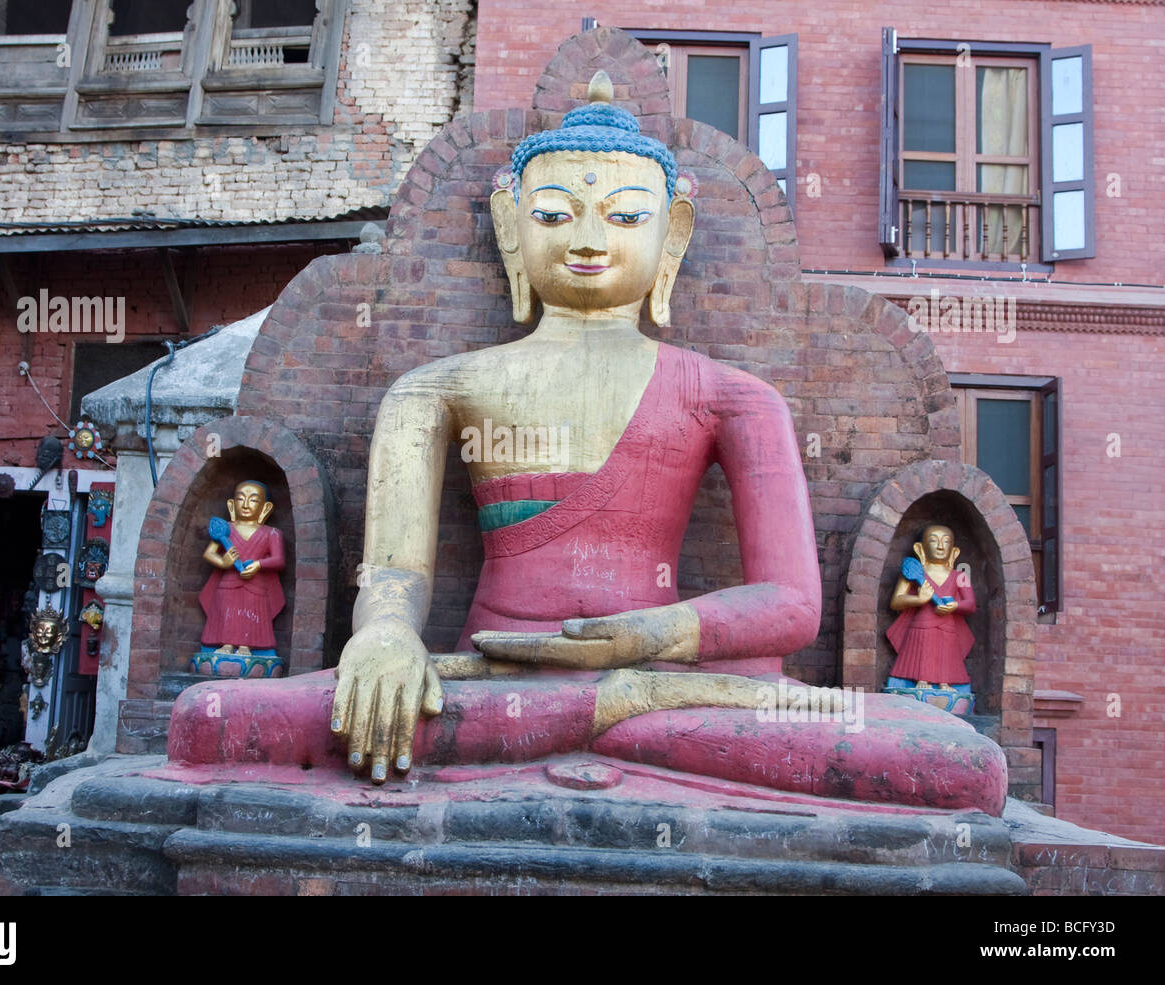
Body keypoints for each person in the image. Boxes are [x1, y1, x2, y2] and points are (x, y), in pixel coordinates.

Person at [169, 74, 1007, 814]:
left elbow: (790, 605)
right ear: (510, 227)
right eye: (553, 214)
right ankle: (601, 718)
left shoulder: (732, 395)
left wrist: (640, 643)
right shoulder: (436, 389)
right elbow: (393, 575)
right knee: (212, 720)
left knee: (952, 760)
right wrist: (385, 639)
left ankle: (602, 713)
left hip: (682, 688)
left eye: (626, 215)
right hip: (491, 681)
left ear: (672, 234)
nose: (588, 238)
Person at [887, 524, 977, 693]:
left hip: (948, 625)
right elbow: (896, 602)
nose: (941, 546)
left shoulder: (961, 576)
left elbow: (970, 604)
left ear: (954, 551)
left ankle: (945, 683)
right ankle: (922, 679)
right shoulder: (913, 572)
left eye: (946, 541)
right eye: (934, 541)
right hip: (921, 624)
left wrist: (955, 605)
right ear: (920, 548)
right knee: (923, 649)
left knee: (946, 652)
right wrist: (919, 599)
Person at [199, 480, 285, 656]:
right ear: (232, 504)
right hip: (228, 583)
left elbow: (279, 560)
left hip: (256, 583)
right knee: (227, 612)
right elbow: (209, 553)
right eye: (240, 499)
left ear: (265, 508)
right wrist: (223, 562)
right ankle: (226, 644)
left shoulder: (272, 533)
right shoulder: (226, 529)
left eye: (253, 500)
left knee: (252, 613)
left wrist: (259, 564)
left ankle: (247, 646)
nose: (245, 505)